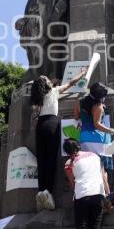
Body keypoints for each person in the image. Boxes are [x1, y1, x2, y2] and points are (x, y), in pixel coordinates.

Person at [31, 69, 86, 211]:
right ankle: (48, 192)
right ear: (46, 84)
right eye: (47, 79)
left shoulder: (37, 98)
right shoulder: (53, 92)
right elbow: (71, 83)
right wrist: (82, 73)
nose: (49, 80)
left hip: (40, 126)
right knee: (51, 159)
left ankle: (41, 191)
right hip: (52, 124)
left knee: (41, 160)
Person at [63, 138, 112, 229]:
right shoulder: (95, 156)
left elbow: (72, 184)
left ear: (67, 151)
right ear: (78, 146)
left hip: (81, 197)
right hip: (98, 195)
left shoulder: (69, 163)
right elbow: (103, 177)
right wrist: (107, 195)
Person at [74, 82, 114, 205]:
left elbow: (76, 117)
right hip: (99, 140)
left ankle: (97, 196)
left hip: (84, 138)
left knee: (91, 168)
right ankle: (107, 197)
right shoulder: (98, 106)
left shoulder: (79, 102)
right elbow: (97, 124)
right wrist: (112, 131)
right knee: (102, 170)